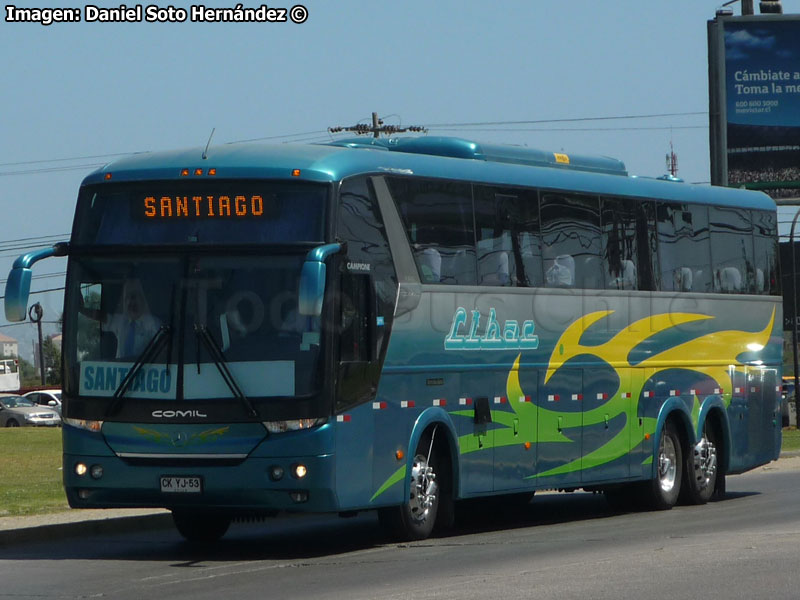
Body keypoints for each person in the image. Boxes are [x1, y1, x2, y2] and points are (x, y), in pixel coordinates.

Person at [81, 279, 160, 359]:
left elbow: (162, 349)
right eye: (127, 298)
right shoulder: (120, 321)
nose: (131, 302)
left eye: (134, 297)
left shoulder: (153, 323)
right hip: (120, 370)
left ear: (142, 299)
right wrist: (81, 308)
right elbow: (98, 316)